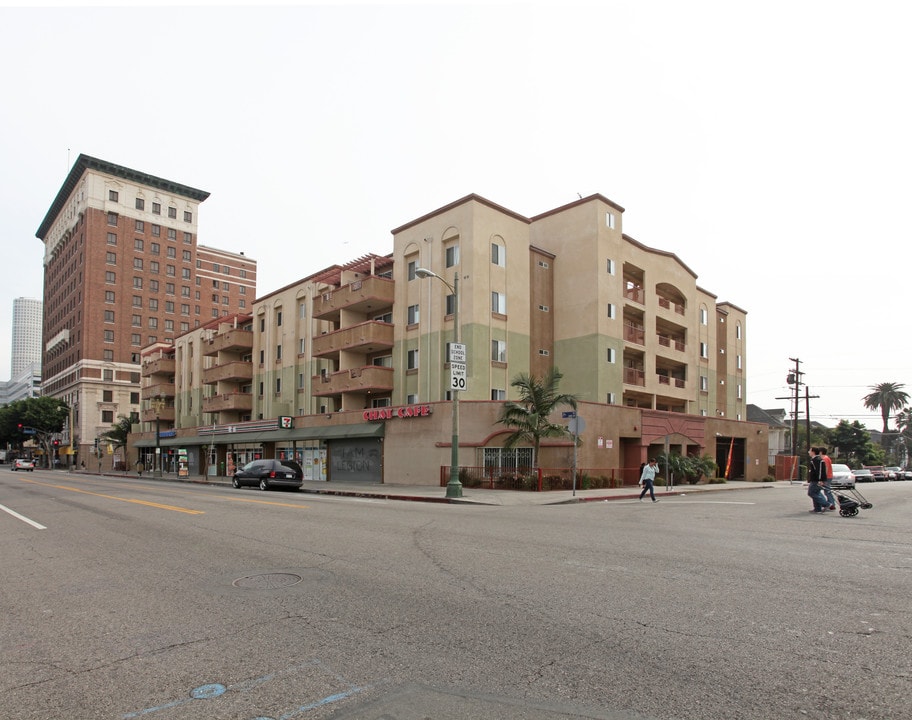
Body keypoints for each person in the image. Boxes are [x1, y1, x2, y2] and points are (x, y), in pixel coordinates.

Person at [807, 447, 829, 513]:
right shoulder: (816, 459)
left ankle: (826, 504)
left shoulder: (816, 460)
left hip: (816, 480)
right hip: (815, 479)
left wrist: (820, 480)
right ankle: (817, 509)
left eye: (810, 451)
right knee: (816, 493)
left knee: (811, 493)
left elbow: (819, 471)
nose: (809, 452)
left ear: (813, 452)